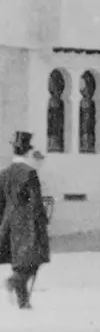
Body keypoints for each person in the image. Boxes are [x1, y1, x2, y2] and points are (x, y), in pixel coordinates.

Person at [0, 130, 51, 308]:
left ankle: (23, 301)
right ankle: (15, 282)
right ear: (28, 151)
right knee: (35, 258)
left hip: (9, 222)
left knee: (18, 260)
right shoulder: (29, 173)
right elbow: (36, 201)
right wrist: (43, 220)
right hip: (28, 222)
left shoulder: (4, 173)